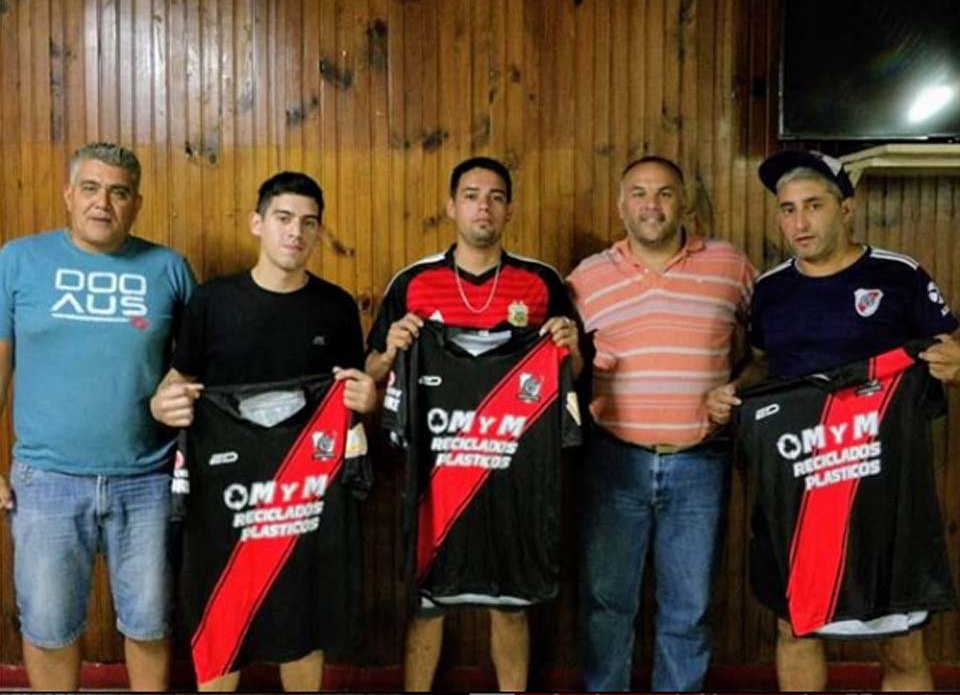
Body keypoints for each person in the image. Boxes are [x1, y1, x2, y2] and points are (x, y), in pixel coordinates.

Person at [708, 149, 960, 691]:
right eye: (788, 209)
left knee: (901, 639)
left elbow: (950, 349)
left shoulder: (898, 275)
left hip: (884, 490)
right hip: (798, 487)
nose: (799, 222)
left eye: (814, 205)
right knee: (796, 627)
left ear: (846, 209)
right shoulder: (771, 290)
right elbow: (761, 366)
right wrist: (733, 392)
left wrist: (955, 363)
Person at [150, 171, 376, 691]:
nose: (295, 232)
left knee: (303, 619)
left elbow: (354, 389)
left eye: (308, 223)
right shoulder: (212, 302)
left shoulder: (337, 306)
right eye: (283, 218)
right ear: (258, 223)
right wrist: (162, 405)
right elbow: (177, 382)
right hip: (224, 496)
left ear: (318, 232)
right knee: (222, 619)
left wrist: (367, 400)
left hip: (304, 498)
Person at [365, 156, 581, 692]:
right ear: (450, 206)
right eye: (471, 196)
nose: (483, 207)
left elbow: (572, 375)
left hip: (515, 474)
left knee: (510, 605)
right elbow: (372, 370)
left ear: (509, 210)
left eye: (495, 197)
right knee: (428, 603)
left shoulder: (540, 282)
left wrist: (570, 349)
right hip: (435, 476)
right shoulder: (413, 282)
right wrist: (390, 352)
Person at [0, 142, 196, 691]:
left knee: (150, 624)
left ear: (136, 203)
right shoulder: (18, 260)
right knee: (48, 627)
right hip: (46, 480)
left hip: (148, 478)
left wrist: (174, 391)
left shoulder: (169, 268)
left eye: (118, 192)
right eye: (90, 188)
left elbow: (194, 367)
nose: (102, 203)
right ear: (69, 194)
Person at [567, 155, 756, 692]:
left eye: (665, 193)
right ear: (621, 206)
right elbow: (565, 367)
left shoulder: (730, 265)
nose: (652, 205)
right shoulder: (585, 277)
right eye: (639, 193)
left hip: (700, 462)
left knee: (689, 607)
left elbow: (764, 354)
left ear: (684, 202)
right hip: (613, 460)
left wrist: (736, 389)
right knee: (606, 603)